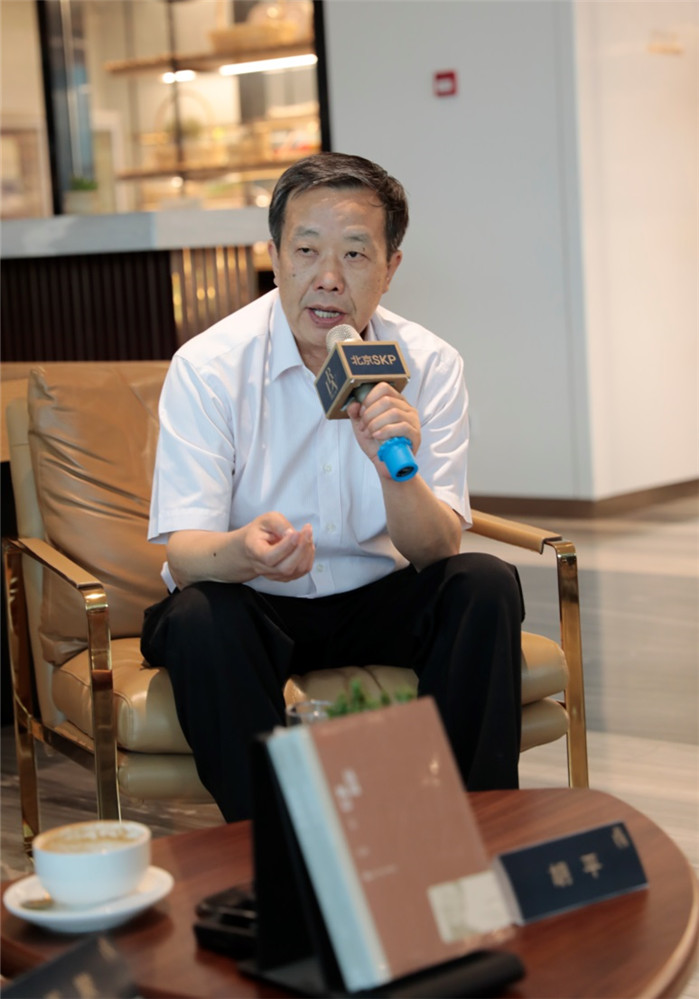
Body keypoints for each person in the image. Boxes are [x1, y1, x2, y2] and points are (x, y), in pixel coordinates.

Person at [142, 152, 523, 822]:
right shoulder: (208, 366)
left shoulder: (429, 364)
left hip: (378, 598)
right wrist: (245, 551)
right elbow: (185, 552)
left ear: (390, 267)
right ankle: (283, 843)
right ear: (274, 257)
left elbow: (437, 549)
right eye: (306, 250)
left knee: (483, 582)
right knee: (199, 617)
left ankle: (469, 831)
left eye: (353, 253)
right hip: (254, 603)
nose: (327, 278)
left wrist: (392, 468)